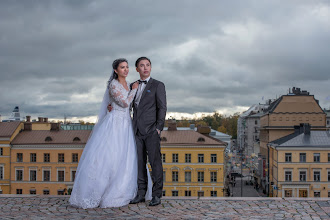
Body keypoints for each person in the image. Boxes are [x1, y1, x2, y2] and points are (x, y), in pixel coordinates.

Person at [69, 58, 151, 209]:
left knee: (125, 157)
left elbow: (130, 104)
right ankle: (99, 192)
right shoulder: (114, 85)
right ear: (115, 70)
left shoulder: (127, 83)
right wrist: (133, 89)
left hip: (126, 124)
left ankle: (123, 188)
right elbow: (125, 103)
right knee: (110, 156)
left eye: (127, 67)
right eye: (122, 67)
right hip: (115, 124)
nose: (126, 70)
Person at [108, 57, 167, 206]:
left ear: (151, 68)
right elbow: (124, 102)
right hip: (136, 131)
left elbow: (162, 107)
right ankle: (141, 193)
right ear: (137, 69)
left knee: (155, 163)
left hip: (152, 130)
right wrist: (111, 107)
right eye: (142, 65)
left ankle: (157, 195)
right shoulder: (132, 85)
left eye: (148, 65)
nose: (145, 68)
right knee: (139, 163)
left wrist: (159, 128)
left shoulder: (158, 85)